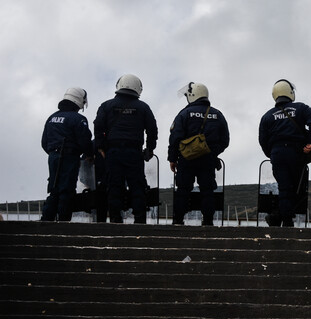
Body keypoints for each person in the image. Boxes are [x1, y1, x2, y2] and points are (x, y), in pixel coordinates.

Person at [94, 74, 158, 224]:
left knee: (114, 186)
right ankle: (140, 220)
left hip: (113, 152)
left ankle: (116, 220)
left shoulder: (106, 105)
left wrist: (100, 147)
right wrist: (150, 148)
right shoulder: (143, 107)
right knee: (137, 186)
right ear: (138, 88)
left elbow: (98, 126)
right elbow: (152, 129)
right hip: (134, 152)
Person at [259, 79, 311, 227]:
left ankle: (281, 218)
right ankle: (284, 219)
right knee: (297, 188)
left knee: (285, 187)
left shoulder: (267, 116)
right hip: (296, 153)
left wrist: (272, 153)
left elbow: (262, 140)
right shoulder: (300, 108)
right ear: (290, 93)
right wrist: (310, 143)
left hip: (278, 153)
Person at [168, 82, 230, 226]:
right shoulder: (217, 114)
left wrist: (173, 158)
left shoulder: (183, 114)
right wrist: (212, 152)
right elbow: (225, 140)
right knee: (207, 190)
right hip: (208, 159)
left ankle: (178, 220)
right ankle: (208, 221)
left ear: (192, 95)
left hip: (186, 159)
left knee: (183, 189)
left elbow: (175, 138)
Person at [41, 87, 93, 221]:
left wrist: (54, 153)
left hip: (53, 157)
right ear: (80, 101)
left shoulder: (52, 118)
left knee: (54, 189)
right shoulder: (78, 119)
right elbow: (85, 141)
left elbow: (44, 142)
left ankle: (46, 221)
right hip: (69, 157)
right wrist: (89, 154)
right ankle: (63, 223)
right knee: (67, 190)